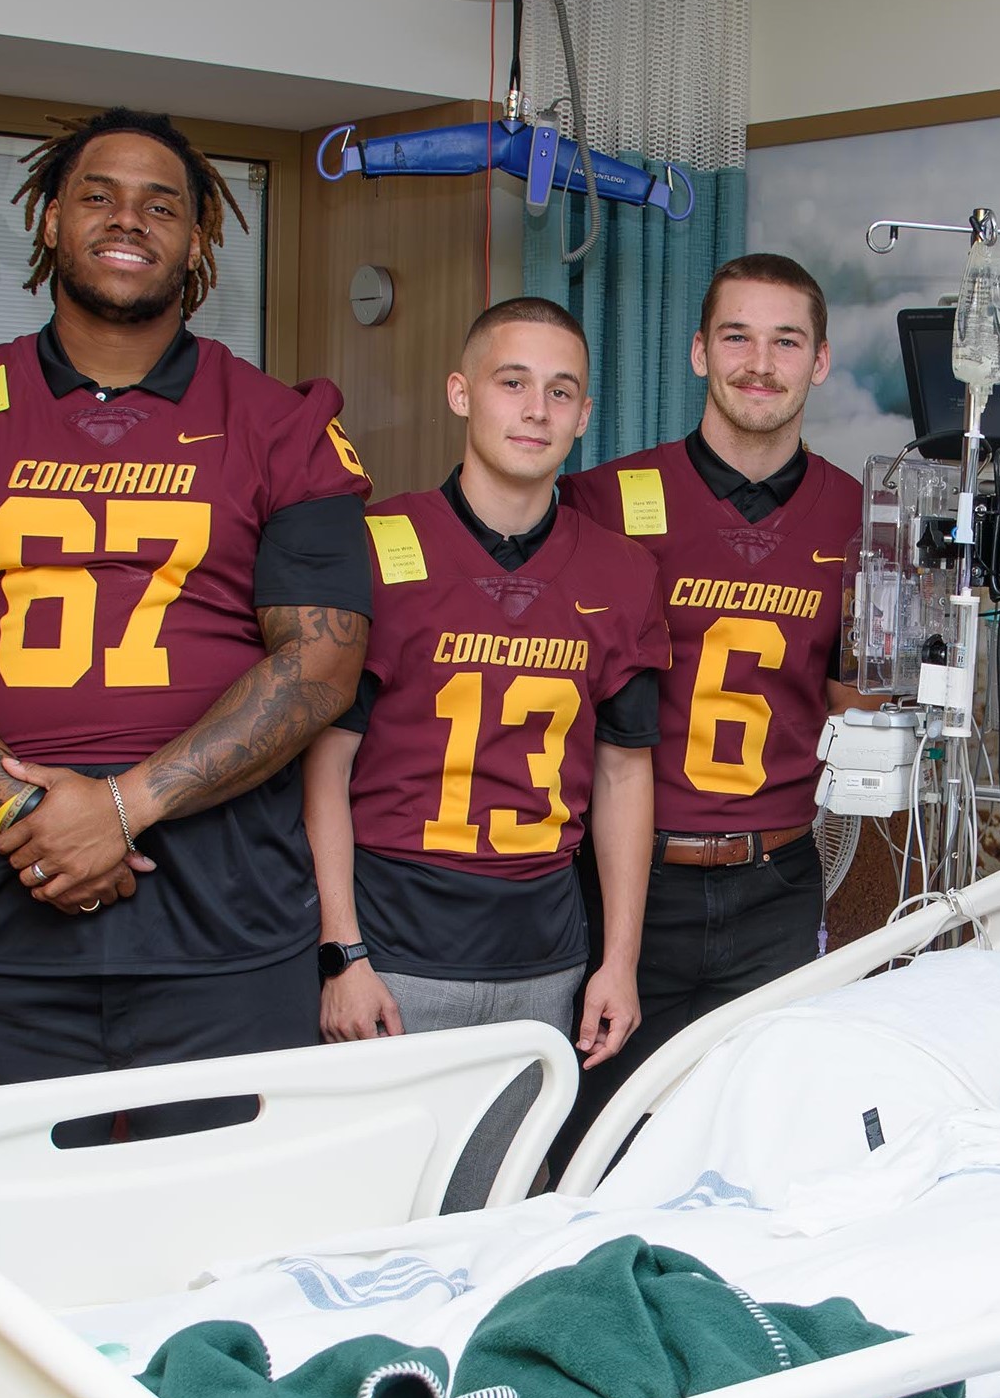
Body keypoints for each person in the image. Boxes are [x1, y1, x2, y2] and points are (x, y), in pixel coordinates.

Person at [0, 107, 373, 1095]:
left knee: (218, 1222)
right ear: (49, 221)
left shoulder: (279, 422)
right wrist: (26, 808)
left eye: (159, 204)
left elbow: (323, 664)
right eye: (97, 195)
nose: (126, 219)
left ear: (197, 238)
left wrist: (124, 809)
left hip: (219, 908)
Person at [308, 298, 668, 1202]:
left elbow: (626, 770)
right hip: (397, 942)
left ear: (586, 416)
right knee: (373, 1200)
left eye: (561, 391)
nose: (536, 410)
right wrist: (341, 953)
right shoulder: (378, 545)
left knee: (508, 1202)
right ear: (462, 392)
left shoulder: (621, 571)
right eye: (513, 383)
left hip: (542, 948)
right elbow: (325, 764)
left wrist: (617, 960)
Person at [554, 255, 865, 1154]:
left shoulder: (860, 514)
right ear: (697, 352)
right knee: (598, 1148)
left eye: (785, 341)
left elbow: (855, 694)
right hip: (625, 885)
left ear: (820, 361)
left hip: (777, 882)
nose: (758, 362)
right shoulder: (603, 500)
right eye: (736, 336)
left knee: (751, 1145)